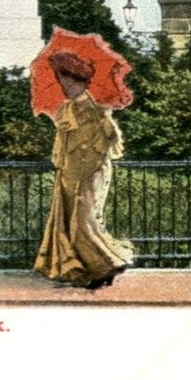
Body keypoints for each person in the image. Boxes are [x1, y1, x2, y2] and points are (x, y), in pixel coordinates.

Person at [34, 51, 134, 288]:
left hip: (90, 174)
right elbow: (63, 147)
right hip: (68, 174)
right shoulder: (66, 110)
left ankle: (108, 263)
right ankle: (94, 269)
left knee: (83, 221)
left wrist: (83, 171)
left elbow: (104, 145)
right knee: (70, 222)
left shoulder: (97, 111)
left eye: (69, 80)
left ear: (80, 80)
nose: (65, 85)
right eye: (61, 80)